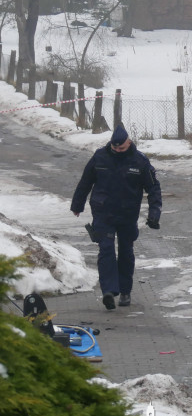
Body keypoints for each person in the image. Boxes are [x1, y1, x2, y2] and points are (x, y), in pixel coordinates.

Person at [71, 125, 162, 310]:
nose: (118, 151)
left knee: (126, 252)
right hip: (103, 211)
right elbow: (85, 182)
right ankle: (109, 292)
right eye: (115, 148)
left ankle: (125, 291)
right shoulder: (100, 157)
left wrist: (154, 213)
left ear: (129, 142)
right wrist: (77, 205)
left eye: (121, 148)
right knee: (106, 249)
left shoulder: (140, 161)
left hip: (128, 214)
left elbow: (153, 189)